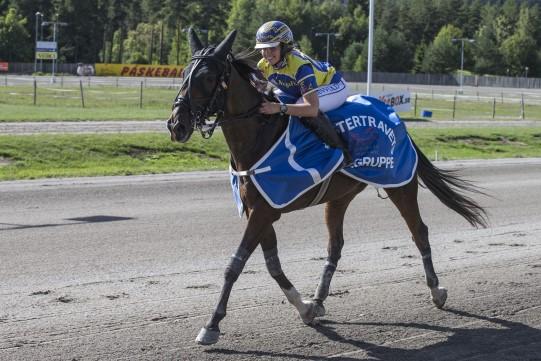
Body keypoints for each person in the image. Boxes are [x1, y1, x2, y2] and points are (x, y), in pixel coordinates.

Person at [255, 20, 352, 164]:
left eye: (272, 48)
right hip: (304, 91)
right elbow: (258, 92)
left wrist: (278, 108)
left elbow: (311, 109)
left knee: (301, 107)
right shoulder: (263, 65)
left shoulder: (300, 66)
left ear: (284, 46)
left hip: (333, 85)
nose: (267, 53)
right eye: (263, 48)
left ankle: (343, 154)